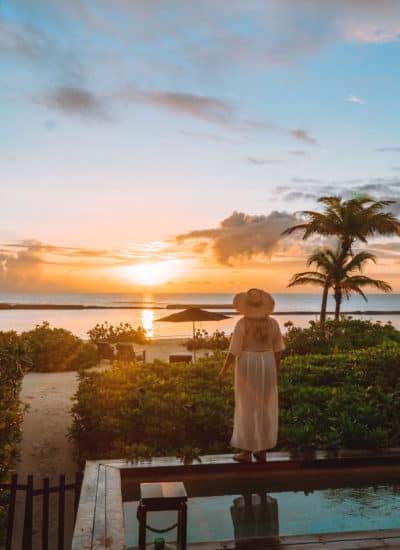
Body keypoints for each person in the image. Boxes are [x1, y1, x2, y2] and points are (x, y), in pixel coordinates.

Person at [218, 288, 284, 462]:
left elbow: (233, 351)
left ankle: (247, 452)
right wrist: (276, 371)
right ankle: (262, 450)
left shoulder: (242, 324)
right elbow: (278, 350)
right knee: (264, 406)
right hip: (268, 363)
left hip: (247, 363)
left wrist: (224, 369)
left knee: (246, 407)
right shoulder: (273, 323)